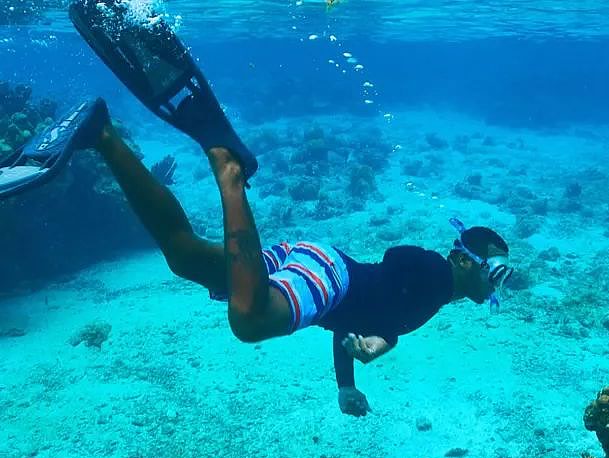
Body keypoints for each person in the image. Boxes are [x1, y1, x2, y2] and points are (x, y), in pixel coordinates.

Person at [0, 1, 513, 416]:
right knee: (249, 320)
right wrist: (389, 333)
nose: (500, 282)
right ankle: (228, 169)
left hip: (322, 278)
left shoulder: (434, 294)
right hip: (330, 275)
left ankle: (103, 136)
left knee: (184, 258)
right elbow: (396, 260)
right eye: (498, 269)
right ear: (465, 259)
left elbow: (350, 327)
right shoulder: (434, 275)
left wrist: (353, 375)